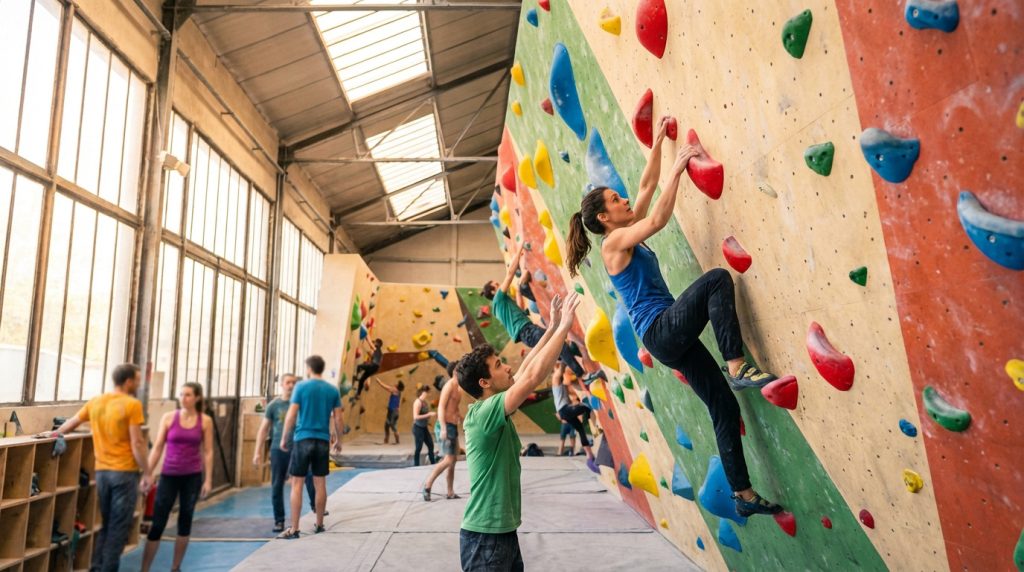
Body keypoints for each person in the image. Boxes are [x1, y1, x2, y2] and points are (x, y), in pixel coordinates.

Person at [564, 116, 782, 518]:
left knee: (724, 408)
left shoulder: (623, 230)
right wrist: (680, 168)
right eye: (615, 201)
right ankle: (736, 365)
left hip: (666, 338)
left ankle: (743, 495)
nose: (624, 200)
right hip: (661, 330)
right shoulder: (614, 242)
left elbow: (646, 188)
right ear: (603, 219)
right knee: (717, 280)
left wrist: (660, 144)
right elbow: (658, 218)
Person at [457, 292, 580, 571]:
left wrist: (550, 330)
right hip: (485, 538)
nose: (508, 366)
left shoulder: (493, 409)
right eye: (499, 365)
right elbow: (532, 377)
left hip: (501, 534)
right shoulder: (483, 414)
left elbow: (525, 370)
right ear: (484, 382)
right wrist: (563, 329)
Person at [50, 364, 151, 572]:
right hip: (124, 473)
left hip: (102, 473)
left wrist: (53, 434)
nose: (139, 384)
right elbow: (138, 443)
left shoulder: (96, 402)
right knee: (118, 529)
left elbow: (70, 424)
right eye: (138, 379)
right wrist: (148, 471)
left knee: (107, 525)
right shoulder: (131, 405)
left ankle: (96, 568)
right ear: (129, 381)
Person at [482, 246, 600, 384]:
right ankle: (583, 376)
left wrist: (521, 289)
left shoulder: (499, 306)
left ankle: (575, 356)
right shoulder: (498, 299)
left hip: (527, 332)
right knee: (560, 345)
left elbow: (520, 308)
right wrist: (519, 249)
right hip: (527, 331)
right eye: (496, 284)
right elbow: (510, 274)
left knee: (559, 348)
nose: (500, 284)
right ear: (493, 291)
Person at [140, 382, 213, 572]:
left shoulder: (204, 421)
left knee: (185, 520)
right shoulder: (168, 418)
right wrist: (147, 473)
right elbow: (157, 448)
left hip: (192, 477)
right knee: (158, 523)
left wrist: (208, 479)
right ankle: (145, 568)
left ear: (196, 398)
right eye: (181, 394)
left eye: (188, 394)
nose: (183, 398)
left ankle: (175, 567)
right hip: (169, 475)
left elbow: (208, 451)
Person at [278, 356, 344, 539]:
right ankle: (320, 524)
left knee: (297, 484)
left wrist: (284, 437)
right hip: (322, 441)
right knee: (320, 483)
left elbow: (291, 415)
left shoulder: (301, 387)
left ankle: (295, 528)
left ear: (309, 369)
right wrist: (339, 440)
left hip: (303, 439)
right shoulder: (332, 390)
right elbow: (338, 418)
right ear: (321, 369)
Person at [253, 374, 317, 532]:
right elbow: (263, 429)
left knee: (309, 476)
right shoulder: (274, 405)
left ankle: (316, 505)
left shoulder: (302, 404)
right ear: (282, 384)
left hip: (300, 447)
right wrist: (257, 452)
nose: (291, 385)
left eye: (294, 383)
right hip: (278, 449)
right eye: (288, 382)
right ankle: (279, 520)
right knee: (277, 484)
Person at [422, 360, 461, 501]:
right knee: (449, 459)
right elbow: (441, 408)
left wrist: (461, 418)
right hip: (445, 426)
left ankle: (450, 492)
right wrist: (443, 428)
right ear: (455, 371)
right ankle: (427, 485)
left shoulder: (458, 387)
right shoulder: (449, 386)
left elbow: (454, 408)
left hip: (453, 426)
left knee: (453, 460)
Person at [550, 362, 595, 464]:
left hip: (564, 412)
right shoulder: (555, 380)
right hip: (564, 410)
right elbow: (560, 369)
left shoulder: (560, 384)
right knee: (586, 406)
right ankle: (590, 420)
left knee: (580, 429)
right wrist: (564, 359)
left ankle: (589, 454)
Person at [411, 385, 437, 466]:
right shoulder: (417, 402)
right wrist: (428, 414)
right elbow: (416, 417)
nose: (428, 394)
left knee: (430, 444)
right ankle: (416, 465)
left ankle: (433, 463)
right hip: (418, 428)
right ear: (423, 392)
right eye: (427, 392)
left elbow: (424, 414)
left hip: (424, 427)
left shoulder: (424, 402)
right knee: (418, 447)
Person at [374, 378, 404, 445]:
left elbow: (385, 387)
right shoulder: (398, 392)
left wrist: (379, 381)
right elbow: (398, 402)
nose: (395, 383)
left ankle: (397, 441)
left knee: (392, 426)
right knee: (386, 425)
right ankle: (386, 440)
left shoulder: (395, 390)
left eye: (397, 383)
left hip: (393, 412)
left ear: (397, 386)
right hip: (392, 411)